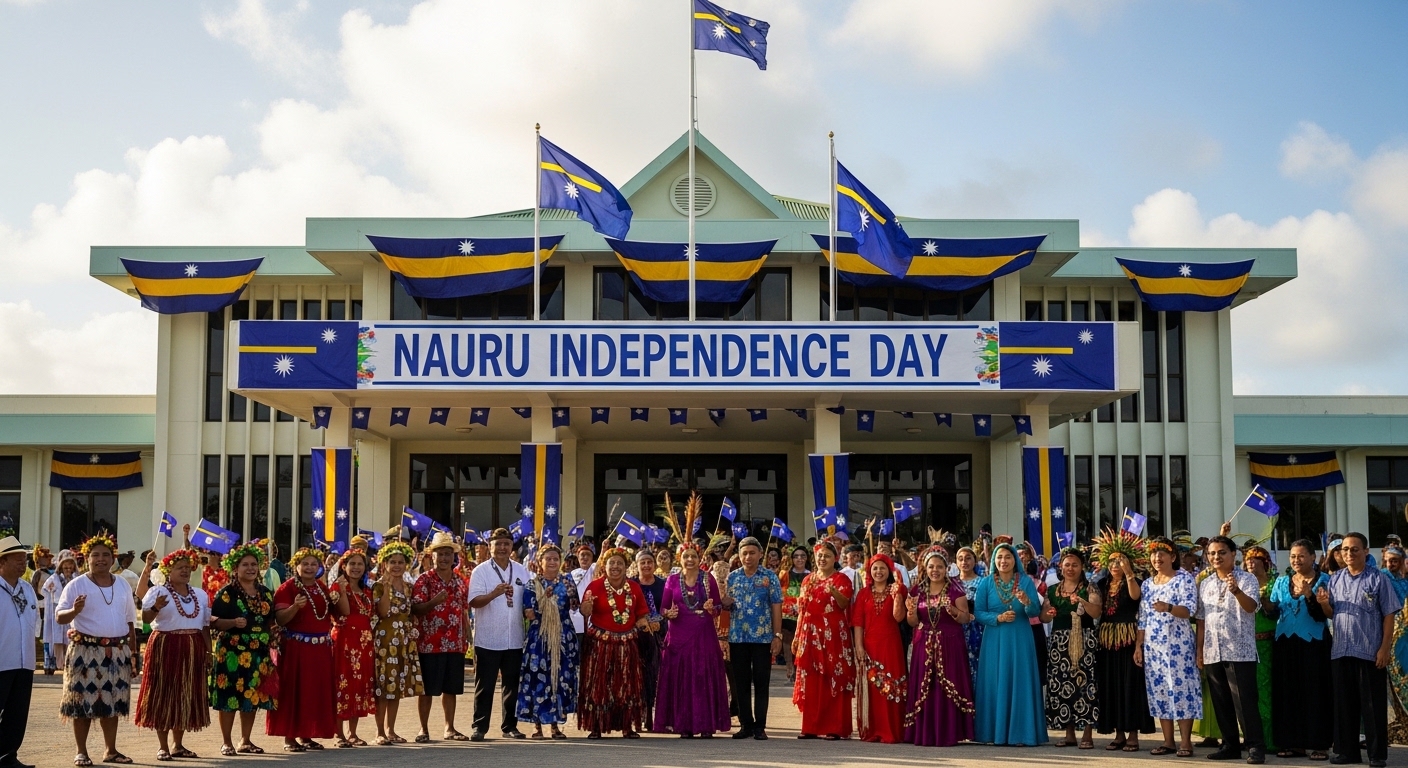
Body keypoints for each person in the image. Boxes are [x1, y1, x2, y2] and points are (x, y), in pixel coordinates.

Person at [55, 534, 138, 767]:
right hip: (85, 651)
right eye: (95, 555)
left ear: (113, 558)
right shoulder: (76, 585)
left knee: (112, 705)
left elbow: (130, 621)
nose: (100, 559)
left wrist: (134, 653)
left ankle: (110, 750)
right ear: (87, 559)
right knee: (81, 703)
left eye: (105, 555)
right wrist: (74, 610)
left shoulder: (122, 584)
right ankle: (81, 752)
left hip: (117, 651)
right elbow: (60, 617)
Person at [1328, 532, 1402, 768]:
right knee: (1344, 705)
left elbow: (1389, 615)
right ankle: (1346, 752)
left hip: (1369, 651)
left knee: (1372, 706)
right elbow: (1331, 612)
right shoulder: (1335, 579)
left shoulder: (1378, 579)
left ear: (1366, 552)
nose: (1349, 553)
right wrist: (1321, 604)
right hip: (1341, 650)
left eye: (1354, 549)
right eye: (1345, 549)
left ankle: (1376, 754)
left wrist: (1384, 649)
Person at [134, 549, 210, 760]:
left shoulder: (201, 594)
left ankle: (178, 745)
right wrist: (155, 608)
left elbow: (204, 626)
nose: (185, 571)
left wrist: (208, 652)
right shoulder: (158, 592)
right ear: (169, 571)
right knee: (164, 694)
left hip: (193, 645)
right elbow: (147, 619)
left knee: (185, 694)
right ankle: (163, 747)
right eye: (180, 568)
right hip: (165, 645)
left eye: (187, 567)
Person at [1196, 534, 1265, 764]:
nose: (1216, 557)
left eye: (1221, 552)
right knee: (1221, 702)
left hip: (1240, 650)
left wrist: (1235, 590)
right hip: (1213, 650)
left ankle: (1255, 746)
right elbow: (1202, 620)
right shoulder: (1205, 583)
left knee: (1244, 702)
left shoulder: (1247, 579)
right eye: (1212, 553)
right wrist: (1200, 652)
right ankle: (1230, 746)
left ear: (1233, 554)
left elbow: (1251, 607)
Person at [267, 546, 341, 752]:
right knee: (294, 692)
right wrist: (294, 607)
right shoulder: (287, 588)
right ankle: (289, 738)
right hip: (296, 649)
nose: (309, 567)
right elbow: (280, 619)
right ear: (296, 566)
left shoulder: (321, 587)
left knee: (313, 692)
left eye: (313, 564)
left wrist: (340, 593)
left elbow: (335, 613)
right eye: (305, 564)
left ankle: (307, 735)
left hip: (320, 650)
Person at [654, 538, 729, 737]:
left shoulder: (708, 578)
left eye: (693, 556)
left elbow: (719, 606)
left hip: (703, 636)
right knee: (681, 680)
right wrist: (667, 613)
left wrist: (712, 608)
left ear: (699, 558)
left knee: (702, 677)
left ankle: (706, 726)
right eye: (685, 556)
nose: (689, 560)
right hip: (678, 637)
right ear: (680, 558)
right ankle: (683, 725)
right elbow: (663, 608)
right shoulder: (671, 580)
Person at [973, 542, 1045, 746]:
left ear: (1015, 560)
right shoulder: (986, 583)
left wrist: (1026, 602)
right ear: (994, 560)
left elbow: (1034, 613)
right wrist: (998, 618)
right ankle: (992, 732)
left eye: (1008, 557)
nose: (1003, 561)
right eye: (999, 557)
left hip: (1020, 637)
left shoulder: (1026, 582)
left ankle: (1022, 733)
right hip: (995, 638)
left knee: (1020, 681)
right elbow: (978, 613)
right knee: (995, 680)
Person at [1267, 539, 1332, 760]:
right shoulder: (1281, 581)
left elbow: (1324, 614)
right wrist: (1264, 603)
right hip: (1285, 643)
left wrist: (1309, 595)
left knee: (1315, 693)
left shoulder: (1325, 580)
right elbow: (1275, 610)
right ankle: (1292, 743)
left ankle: (1318, 743)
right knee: (1287, 693)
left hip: (1313, 643)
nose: (1296, 560)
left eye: (1301, 556)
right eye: (1293, 556)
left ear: (1313, 557)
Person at [903, 547, 975, 747]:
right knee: (926, 687)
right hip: (923, 643)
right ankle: (924, 732)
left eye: (940, 567)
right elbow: (912, 622)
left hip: (950, 642)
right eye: (931, 566)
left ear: (947, 568)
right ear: (925, 568)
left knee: (946, 686)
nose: (935, 570)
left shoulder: (956, 589)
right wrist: (911, 612)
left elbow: (964, 618)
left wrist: (951, 609)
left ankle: (949, 732)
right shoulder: (917, 590)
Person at [208, 543, 275, 756]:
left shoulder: (265, 593)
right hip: (232, 652)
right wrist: (231, 623)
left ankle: (245, 740)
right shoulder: (226, 593)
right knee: (229, 697)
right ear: (234, 568)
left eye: (254, 564)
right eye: (245, 564)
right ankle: (226, 742)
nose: (250, 568)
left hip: (258, 652)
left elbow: (270, 620)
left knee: (251, 697)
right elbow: (213, 621)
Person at [1137, 536, 1201, 757]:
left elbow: (1190, 610)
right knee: (1159, 691)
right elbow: (1142, 618)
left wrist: (1169, 607)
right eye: (1154, 554)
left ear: (1173, 556)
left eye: (1162, 553)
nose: (1157, 558)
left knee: (1182, 690)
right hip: (1154, 647)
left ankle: (1185, 741)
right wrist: (1139, 645)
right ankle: (1167, 741)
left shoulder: (1184, 579)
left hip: (1179, 645)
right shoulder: (1147, 583)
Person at [578, 546, 650, 738]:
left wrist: (647, 625)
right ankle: (596, 726)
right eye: (612, 563)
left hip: (627, 643)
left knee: (627, 685)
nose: (616, 567)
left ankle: (627, 727)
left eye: (620, 563)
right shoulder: (594, 586)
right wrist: (587, 606)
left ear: (626, 567)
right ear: (605, 566)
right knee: (598, 686)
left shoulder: (634, 588)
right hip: (600, 643)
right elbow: (585, 612)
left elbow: (641, 614)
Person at [467, 527, 530, 741]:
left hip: (514, 638)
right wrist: (494, 593)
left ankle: (510, 726)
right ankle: (479, 727)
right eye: (498, 544)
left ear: (512, 547)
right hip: (489, 638)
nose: (502, 548)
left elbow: (528, 601)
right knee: (485, 685)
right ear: (490, 547)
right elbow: (473, 602)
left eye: (506, 544)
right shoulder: (481, 571)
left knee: (512, 684)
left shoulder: (521, 571)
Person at [1090, 534, 1153, 751]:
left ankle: (1133, 733)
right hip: (1106, 640)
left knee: (1130, 685)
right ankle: (1118, 733)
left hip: (1128, 638)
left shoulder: (1135, 582)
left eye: (1120, 561)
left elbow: (1135, 598)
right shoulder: (1102, 583)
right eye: (1112, 561)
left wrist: (1128, 573)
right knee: (1111, 686)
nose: (1115, 565)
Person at [792, 540, 855, 740]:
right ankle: (811, 726)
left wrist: (833, 590)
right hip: (810, 635)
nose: (822, 559)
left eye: (827, 556)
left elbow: (844, 603)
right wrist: (796, 636)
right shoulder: (807, 580)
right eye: (819, 555)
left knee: (833, 677)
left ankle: (835, 727)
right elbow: (802, 609)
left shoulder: (842, 579)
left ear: (835, 559)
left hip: (833, 635)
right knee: (812, 679)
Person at [516, 542, 579, 739]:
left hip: (563, 636)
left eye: (555, 559)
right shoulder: (531, 585)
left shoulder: (568, 582)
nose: (552, 562)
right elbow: (530, 614)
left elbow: (575, 606)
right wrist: (543, 600)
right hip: (540, 638)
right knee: (538, 679)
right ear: (540, 562)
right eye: (548, 559)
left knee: (559, 679)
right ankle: (537, 726)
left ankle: (555, 725)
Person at [411, 532, 471, 743]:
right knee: (427, 689)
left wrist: (468, 636)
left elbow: (464, 610)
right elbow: (416, 608)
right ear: (432, 556)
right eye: (440, 554)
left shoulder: (460, 581)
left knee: (451, 689)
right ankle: (423, 729)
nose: (444, 558)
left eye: (448, 554)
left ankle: (450, 728)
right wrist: (434, 601)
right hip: (430, 643)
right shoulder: (424, 580)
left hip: (455, 643)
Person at [722, 537, 783, 741]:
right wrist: (725, 604)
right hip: (738, 638)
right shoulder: (732, 577)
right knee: (741, 682)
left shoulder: (769, 577)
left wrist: (777, 635)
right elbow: (725, 606)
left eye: (752, 553)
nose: (748, 557)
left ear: (760, 555)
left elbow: (776, 607)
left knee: (761, 681)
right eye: (744, 553)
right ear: (739, 556)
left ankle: (760, 726)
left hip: (762, 638)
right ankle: (745, 724)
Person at [1042, 547, 1101, 749]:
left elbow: (1095, 612)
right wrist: (1049, 613)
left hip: (1083, 640)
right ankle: (1069, 733)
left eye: (1075, 564)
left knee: (1085, 685)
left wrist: (1082, 601)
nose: (1070, 568)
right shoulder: (1052, 590)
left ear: (1081, 566)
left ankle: (1087, 734)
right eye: (1067, 564)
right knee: (1061, 684)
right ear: (1060, 566)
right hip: (1059, 642)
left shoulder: (1089, 587)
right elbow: (1043, 616)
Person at [851, 552, 906, 744]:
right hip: (869, 646)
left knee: (892, 687)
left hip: (891, 645)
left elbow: (899, 618)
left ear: (890, 570)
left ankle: (893, 731)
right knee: (872, 689)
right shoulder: (864, 594)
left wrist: (897, 595)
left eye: (882, 568)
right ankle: (873, 730)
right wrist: (858, 645)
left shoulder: (897, 589)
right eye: (875, 568)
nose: (879, 571)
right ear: (869, 571)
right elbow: (857, 621)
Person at [372, 541, 423, 744]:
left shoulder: (409, 588)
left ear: (407, 565)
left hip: (403, 642)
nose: (396, 566)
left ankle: (391, 729)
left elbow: (410, 613)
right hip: (385, 641)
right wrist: (385, 588)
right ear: (384, 564)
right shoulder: (378, 586)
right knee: (383, 689)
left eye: (400, 562)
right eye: (392, 562)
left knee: (396, 689)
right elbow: (382, 612)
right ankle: (379, 732)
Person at [330, 547, 376, 748]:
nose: (356, 567)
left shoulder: (367, 590)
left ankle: (353, 733)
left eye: (360, 564)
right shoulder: (337, 587)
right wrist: (341, 589)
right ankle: (339, 733)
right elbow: (346, 612)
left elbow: (374, 614)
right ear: (344, 566)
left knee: (359, 685)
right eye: (352, 564)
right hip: (345, 642)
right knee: (343, 684)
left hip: (364, 642)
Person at [0, 536, 39, 768]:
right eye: (17, 559)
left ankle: (7, 756)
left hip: (24, 661)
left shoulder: (26, 588)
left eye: (24, 559)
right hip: (2, 660)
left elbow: (34, 621)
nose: (23, 564)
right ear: (2, 562)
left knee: (17, 712)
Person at [1242, 545, 1277, 754]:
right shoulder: (1243, 584)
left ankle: (1270, 739)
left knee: (1267, 691)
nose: (1251, 563)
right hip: (1247, 644)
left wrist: (1266, 604)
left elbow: (1276, 611)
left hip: (1268, 643)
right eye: (1248, 559)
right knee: (1248, 693)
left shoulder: (1273, 584)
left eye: (1255, 559)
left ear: (1265, 562)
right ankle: (1250, 737)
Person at [631, 549, 666, 731]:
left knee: (654, 675)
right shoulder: (631, 584)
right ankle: (637, 714)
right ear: (636, 565)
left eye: (649, 562)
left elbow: (667, 608)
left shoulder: (663, 584)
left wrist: (660, 622)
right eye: (642, 562)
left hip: (656, 635)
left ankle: (653, 715)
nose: (646, 565)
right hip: (635, 635)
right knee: (636, 676)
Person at [42, 550, 78, 676]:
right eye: (65, 566)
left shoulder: (76, 579)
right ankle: (51, 663)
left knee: (70, 637)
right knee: (54, 637)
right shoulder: (53, 579)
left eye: (70, 566)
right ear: (61, 566)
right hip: (56, 611)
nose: (68, 569)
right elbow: (45, 590)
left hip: (72, 611)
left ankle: (69, 662)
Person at [779, 547, 809, 682]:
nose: (799, 559)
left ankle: (800, 668)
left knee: (803, 641)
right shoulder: (785, 574)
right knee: (788, 640)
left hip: (805, 612)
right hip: (788, 613)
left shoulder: (811, 575)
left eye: (802, 556)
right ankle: (790, 667)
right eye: (796, 556)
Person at [956, 546, 984, 682]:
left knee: (976, 666)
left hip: (977, 629)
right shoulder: (952, 582)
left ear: (975, 561)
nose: (964, 562)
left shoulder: (983, 582)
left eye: (968, 558)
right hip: (956, 630)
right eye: (960, 559)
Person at [570, 542, 596, 666]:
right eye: (582, 555)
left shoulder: (594, 569)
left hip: (592, 619)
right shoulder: (571, 574)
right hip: (575, 619)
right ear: (577, 557)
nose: (585, 558)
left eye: (588, 555)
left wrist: (603, 549)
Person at [28, 546, 53, 677]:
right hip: (40, 607)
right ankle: (45, 662)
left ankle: (49, 662)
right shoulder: (38, 573)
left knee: (48, 637)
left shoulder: (51, 573)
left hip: (49, 607)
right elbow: (33, 588)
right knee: (42, 636)